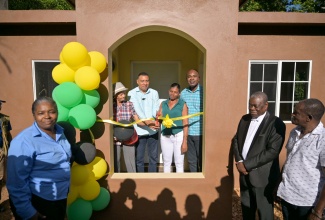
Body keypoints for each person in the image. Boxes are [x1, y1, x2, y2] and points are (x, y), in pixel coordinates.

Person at [6, 96, 71, 220]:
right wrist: (28, 212)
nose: (47, 116)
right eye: (41, 113)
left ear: (57, 112)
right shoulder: (24, 141)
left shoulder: (60, 133)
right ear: (34, 115)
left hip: (60, 198)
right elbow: (16, 182)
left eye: (51, 111)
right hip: (38, 202)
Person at [232, 91, 286, 220]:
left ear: (266, 106)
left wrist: (246, 164)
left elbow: (272, 151)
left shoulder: (276, 123)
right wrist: (239, 160)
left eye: (255, 106)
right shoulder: (244, 119)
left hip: (263, 177)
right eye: (250, 105)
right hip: (244, 174)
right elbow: (235, 140)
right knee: (247, 209)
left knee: (265, 213)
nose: (252, 108)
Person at [277, 98, 325, 220]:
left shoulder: (322, 139)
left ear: (308, 118)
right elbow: (289, 160)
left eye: (296, 112)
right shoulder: (295, 132)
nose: (292, 114)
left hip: (308, 203)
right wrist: (279, 185)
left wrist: (318, 211)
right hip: (287, 196)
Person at [128, 72, 160, 172]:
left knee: (153, 158)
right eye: (142, 81)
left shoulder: (154, 92)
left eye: (146, 81)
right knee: (139, 158)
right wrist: (150, 123)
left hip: (153, 131)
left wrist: (157, 119)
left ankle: (152, 178)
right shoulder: (132, 93)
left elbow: (156, 109)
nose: (144, 83)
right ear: (137, 82)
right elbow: (137, 111)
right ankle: (140, 179)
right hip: (139, 131)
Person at [157, 83, 188, 173]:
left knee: (179, 163)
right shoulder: (163, 103)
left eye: (175, 92)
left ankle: (180, 184)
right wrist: (158, 118)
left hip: (178, 135)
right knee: (166, 162)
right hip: (165, 135)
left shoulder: (182, 104)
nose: (173, 94)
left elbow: (185, 123)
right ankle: (167, 183)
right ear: (168, 91)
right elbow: (159, 118)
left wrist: (185, 141)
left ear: (179, 94)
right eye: (171, 91)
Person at [113, 82, 140, 173]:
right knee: (115, 162)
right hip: (115, 138)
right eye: (121, 94)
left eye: (124, 93)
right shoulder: (111, 107)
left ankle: (134, 181)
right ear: (116, 96)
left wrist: (149, 123)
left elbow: (136, 119)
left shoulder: (129, 104)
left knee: (130, 163)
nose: (124, 95)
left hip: (129, 136)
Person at [180, 69, 203, 172]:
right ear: (187, 79)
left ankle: (202, 184)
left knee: (201, 160)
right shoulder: (183, 93)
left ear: (199, 78)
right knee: (191, 160)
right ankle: (194, 181)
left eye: (194, 76)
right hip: (188, 132)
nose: (192, 78)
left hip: (201, 133)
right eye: (189, 76)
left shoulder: (204, 92)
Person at [0, 99, 12, 212]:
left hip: (2, 151)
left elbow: (8, 135)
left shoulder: (5, 119)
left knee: (3, 177)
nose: (0, 106)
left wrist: (11, 149)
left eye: (0, 104)